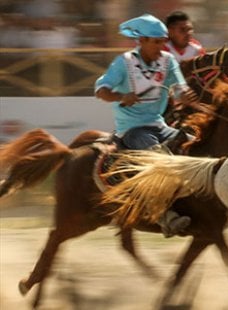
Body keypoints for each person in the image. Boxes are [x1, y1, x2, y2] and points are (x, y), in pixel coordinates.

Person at [94, 14, 196, 238]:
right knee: (157, 157)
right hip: (132, 130)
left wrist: (184, 94)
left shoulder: (167, 61)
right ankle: (163, 216)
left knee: (194, 143)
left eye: (163, 41)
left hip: (159, 125)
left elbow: (178, 87)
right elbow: (101, 91)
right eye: (156, 41)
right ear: (141, 41)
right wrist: (121, 96)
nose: (162, 46)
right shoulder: (124, 62)